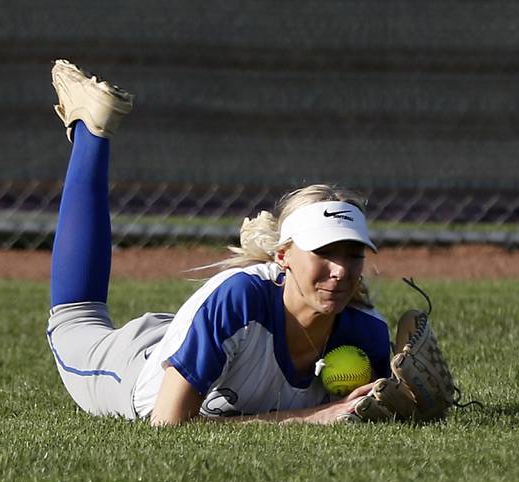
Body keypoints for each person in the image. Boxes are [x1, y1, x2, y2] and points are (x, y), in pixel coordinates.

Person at [46, 60, 391, 426]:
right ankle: (91, 132)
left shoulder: (365, 330)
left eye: (353, 254)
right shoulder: (239, 298)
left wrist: (411, 398)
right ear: (283, 255)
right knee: (75, 318)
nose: (340, 270)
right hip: (131, 366)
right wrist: (315, 416)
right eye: (323, 252)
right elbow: (168, 422)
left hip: (207, 335)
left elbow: (381, 412)